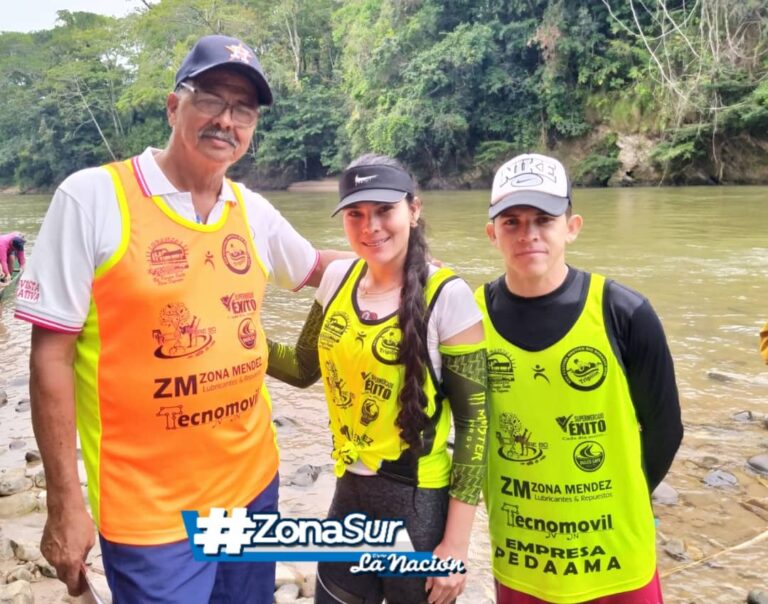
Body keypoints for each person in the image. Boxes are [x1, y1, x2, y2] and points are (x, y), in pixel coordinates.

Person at [15, 34, 346, 603]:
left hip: (253, 487)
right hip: (149, 513)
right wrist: (65, 503)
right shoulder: (93, 198)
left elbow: (318, 268)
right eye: (211, 99)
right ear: (174, 106)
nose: (226, 120)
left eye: (243, 110)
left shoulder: (254, 211)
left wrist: (413, 266)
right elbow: (51, 355)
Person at [266, 154, 488, 604]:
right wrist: (238, 338)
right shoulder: (336, 279)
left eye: (384, 210)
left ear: (414, 210)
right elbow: (301, 368)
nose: (371, 227)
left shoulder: (449, 296)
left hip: (417, 504)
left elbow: (476, 425)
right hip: (348, 493)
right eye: (355, 214)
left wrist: (456, 546)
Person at [477, 153, 683, 603]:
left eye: (544, 219)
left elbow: (665, 429)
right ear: (492, 234)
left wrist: (620, 499)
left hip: (616, 559)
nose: (528, 233)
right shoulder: (470, 317)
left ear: (571, 227)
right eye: (511, 222)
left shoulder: (624, 313)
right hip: (522, 556)